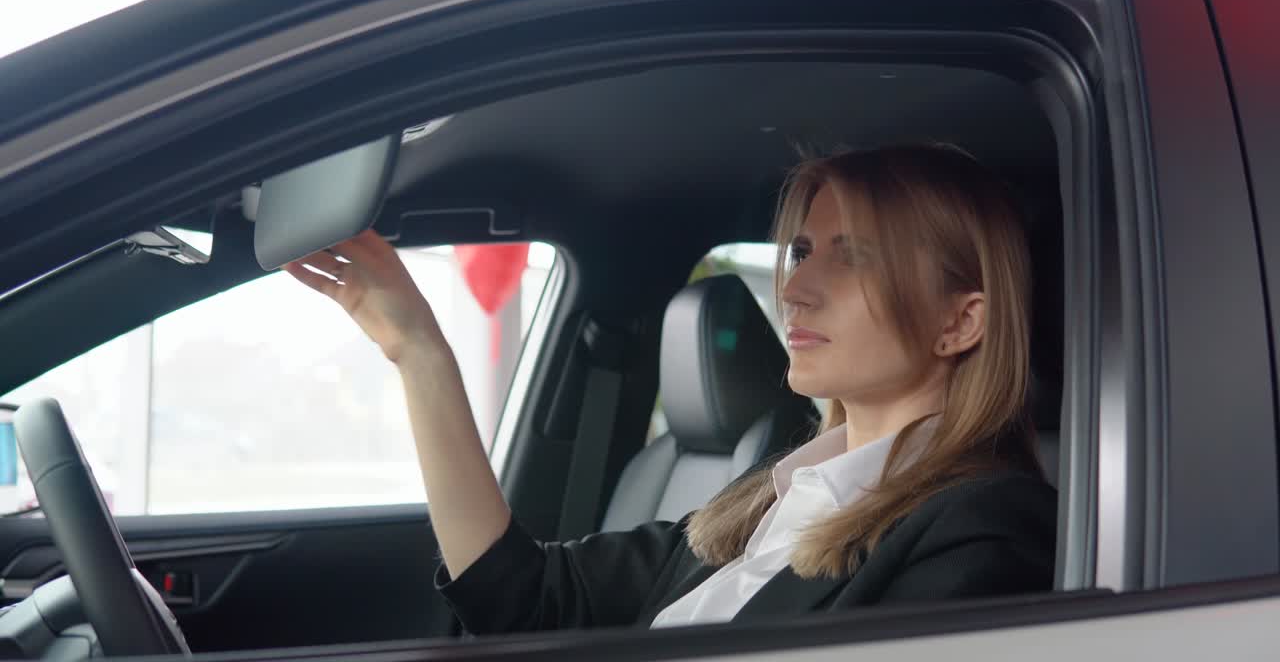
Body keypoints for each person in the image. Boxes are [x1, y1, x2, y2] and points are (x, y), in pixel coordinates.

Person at [283, 144, 1056, 635]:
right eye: (802, 252)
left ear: (961, 321)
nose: (795, 289)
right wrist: (421, 356)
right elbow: (524, 599)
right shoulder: (773, 498)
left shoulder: (986, 527)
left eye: (852, 257)